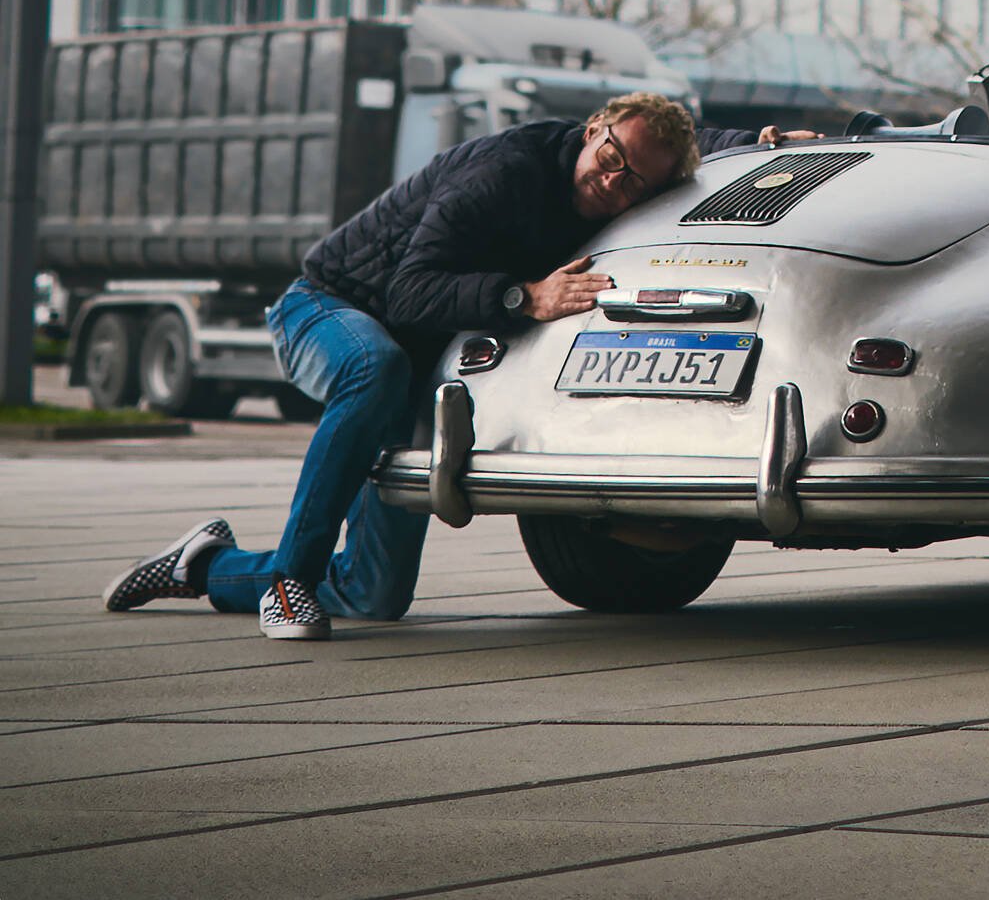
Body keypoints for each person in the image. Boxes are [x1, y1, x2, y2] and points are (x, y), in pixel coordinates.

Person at [103, 93, 810, 639]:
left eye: (636, 184)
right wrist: (521, 296)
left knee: (373, 594)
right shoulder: (504, 172)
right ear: (595, 128)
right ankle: (289, 581)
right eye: (612, 158)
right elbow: (410, 289)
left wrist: (759, 143)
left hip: (411, 349)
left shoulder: (636, 162)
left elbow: (683, 144)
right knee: (373, 370)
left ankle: (205, 564)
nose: (615, 182)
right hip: (329, 306)